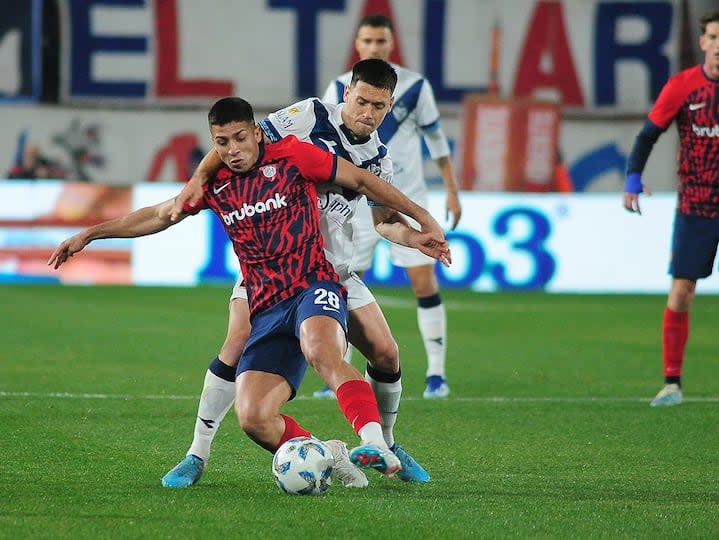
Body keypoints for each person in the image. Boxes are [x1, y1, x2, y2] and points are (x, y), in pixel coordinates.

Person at [49, 97, 450, 488]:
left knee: (325, 351)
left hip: (315, 281)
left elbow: (363, 181)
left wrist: (424, 220)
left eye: (240, 138)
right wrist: (89, 233)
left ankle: (376, 442)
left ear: (257, 133)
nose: (233, 149)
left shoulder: (293, 155)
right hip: (266, 301)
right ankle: (329, 454)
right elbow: (159, 215)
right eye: (222, 142)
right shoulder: (214, 185)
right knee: (253, 417)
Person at [162, 59, 445, 488]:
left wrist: (413, 237)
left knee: (386, 354)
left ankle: (386, 445)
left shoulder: (380, 161)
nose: (368, 112)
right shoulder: (307, 116)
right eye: (362, 100)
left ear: (389, 108)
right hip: (273, 266)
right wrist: (199, 177)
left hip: (334, 270)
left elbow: (384, 222)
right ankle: (196, 454)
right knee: (236, 342)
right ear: (347, 93)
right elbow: (239, 136)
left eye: (380, 106)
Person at [623, 9, 719, 407]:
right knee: (682, 292)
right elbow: (648, 135)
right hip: (695, 207)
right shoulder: (681, 87)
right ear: (703, 43)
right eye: (713, 37)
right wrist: (633, 176)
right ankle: (671, 383)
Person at [320, 13, 461, 399]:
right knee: (344, 283)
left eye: (381, 42)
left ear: (390, 43)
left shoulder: (415, 87)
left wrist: (451, 190)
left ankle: (436, 373)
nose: (374, 48)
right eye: (368, 41)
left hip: (405, 194)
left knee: (423, 283)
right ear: (358, 45)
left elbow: (436, 141)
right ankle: (340, 371)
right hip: (351, 203)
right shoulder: (336, 88)